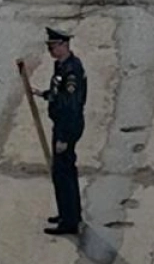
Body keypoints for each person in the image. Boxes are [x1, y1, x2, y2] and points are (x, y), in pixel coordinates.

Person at [34, 26, 87, 236]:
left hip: (68, 127)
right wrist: (44, 94)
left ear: (64, 45)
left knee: (63, 173)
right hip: (63, 124)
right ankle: (68, 213)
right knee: (63, 172)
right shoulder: (61, 66)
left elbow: (72, 106)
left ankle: (69, 222)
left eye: (53, 46)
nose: (50, 50)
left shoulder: (72, 70)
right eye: (49, 46)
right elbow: (59, 93)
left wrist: (64, 137)